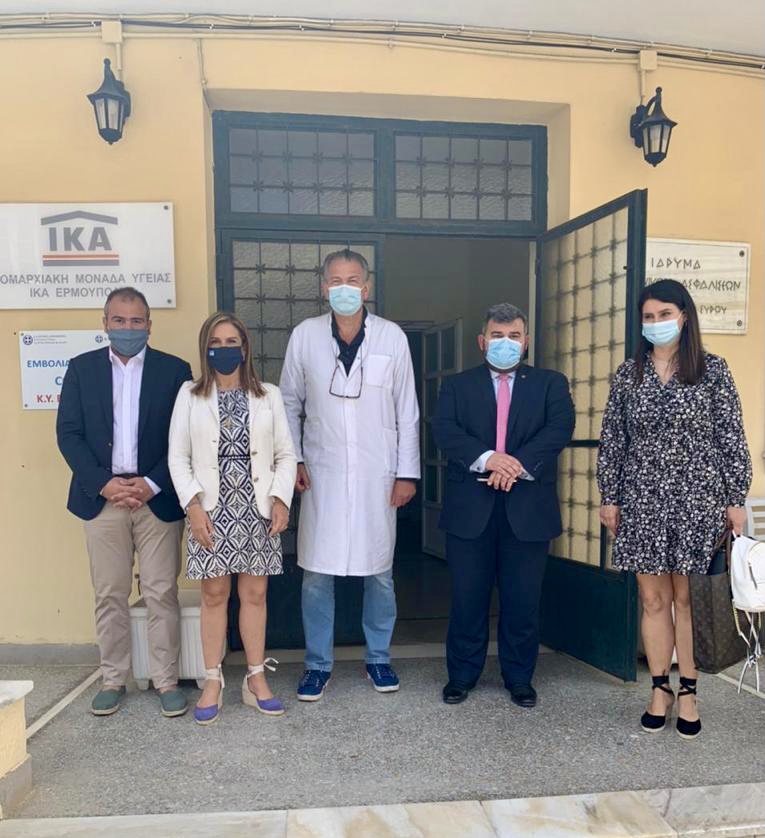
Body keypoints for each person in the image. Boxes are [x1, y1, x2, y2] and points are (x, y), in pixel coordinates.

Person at [597, 278, 751, 739]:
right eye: (649, 316)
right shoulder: (629, 374)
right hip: (642, 499)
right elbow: (613, 440)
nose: (656, 322)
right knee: (652, 600)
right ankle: (659, 688)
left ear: (684, 316)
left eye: (665, 314)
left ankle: (689, 691)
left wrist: (735, 499)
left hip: (697, 499)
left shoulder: (712, 369)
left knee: (686, 601)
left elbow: (730, 436)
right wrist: (610, 496)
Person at [279, 249, 420, 701]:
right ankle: (317, 665)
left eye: (353, 280)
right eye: (336, 280)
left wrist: (407, 473)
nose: (345, 288)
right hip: (321, 473)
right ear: (324, 287)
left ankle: (378, 657)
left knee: (379, 572)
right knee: (317, 574)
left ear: (367, 286)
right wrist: (294, 460)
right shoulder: (304, 336)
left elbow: (407, 411)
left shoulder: (392, 337)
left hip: (378, 474)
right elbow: (288, 403)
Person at [57, 287, 192, 718]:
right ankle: (113, 679)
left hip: (156, 498)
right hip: (102, 499)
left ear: (149, 325)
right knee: (110, 593)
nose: (127, 328)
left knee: (161, 592)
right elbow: (69, 435)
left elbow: (183, 437)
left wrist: (151, 483)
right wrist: (104, 484)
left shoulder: (175, 371)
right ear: (105, 324)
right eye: (119, 320)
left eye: (136, 321)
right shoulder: (81, 370)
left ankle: (166, 680)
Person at [431, 303, 575, 708]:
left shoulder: (550, 384)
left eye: (513, 336)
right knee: (467, 599)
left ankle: (519, 678)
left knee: (522, 601)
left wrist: (515, 465)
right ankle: (461, 675)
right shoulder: (457, 386)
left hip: (528, 510)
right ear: (482, 341)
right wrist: (488, 459)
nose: (505, 343)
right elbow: (445, 430)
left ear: (525, 342)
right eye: (497, 335)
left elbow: (559, 429)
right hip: (469, 510)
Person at [168, 312, 297, 725]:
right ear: (205, 348)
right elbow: (178, 457)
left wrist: (281, 499)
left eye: (231, 342)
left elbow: (285, 454)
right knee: (213, 594)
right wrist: (192, 506)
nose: (224, 349)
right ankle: (213, 680)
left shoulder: (268, 395)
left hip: (256, 508)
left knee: (255, 594)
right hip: (210, 509)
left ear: (245, 348)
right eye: (216, 343)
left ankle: (256, 679)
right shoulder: (190, 395)